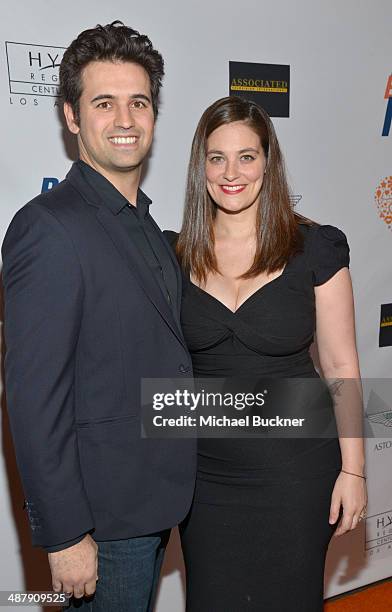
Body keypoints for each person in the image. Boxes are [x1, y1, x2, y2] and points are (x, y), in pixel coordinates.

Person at [2, 21, 195, 611]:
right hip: (99, 524)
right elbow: (33, 396)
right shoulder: (48, 227)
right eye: (103, 102)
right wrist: (65, 534)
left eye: (138, 102)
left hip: (155, 500)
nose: (125, 119)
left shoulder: (150, 230)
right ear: (71, 116)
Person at [164, 96, 367, 611]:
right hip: (205, 482)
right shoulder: (174, 255)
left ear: (268, 162)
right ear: (200, 166)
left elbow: (342, 367)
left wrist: (354, 471)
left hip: (297, 475)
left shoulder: (314, 248)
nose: (232, 172)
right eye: (217, 158)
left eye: (247, 156)